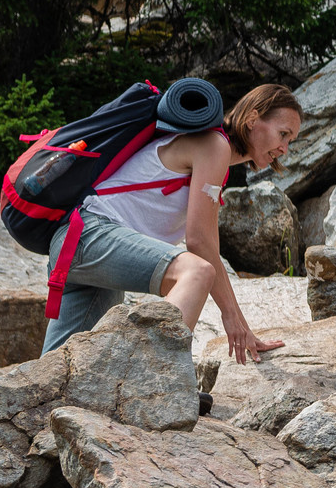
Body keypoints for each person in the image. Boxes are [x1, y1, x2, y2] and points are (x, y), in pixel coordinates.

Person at [42, 83, 302, 361]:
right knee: (196, 273)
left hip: (82, 246)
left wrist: (241, 326)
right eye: (283, 134)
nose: (284, 148)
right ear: (252, 118)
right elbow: (198, 243)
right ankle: (153, 377)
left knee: (55, 367)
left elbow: (209, 249)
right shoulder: (214, 145)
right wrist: (230, 317)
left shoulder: (214, 153)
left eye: (290, 140)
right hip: (90, 236)